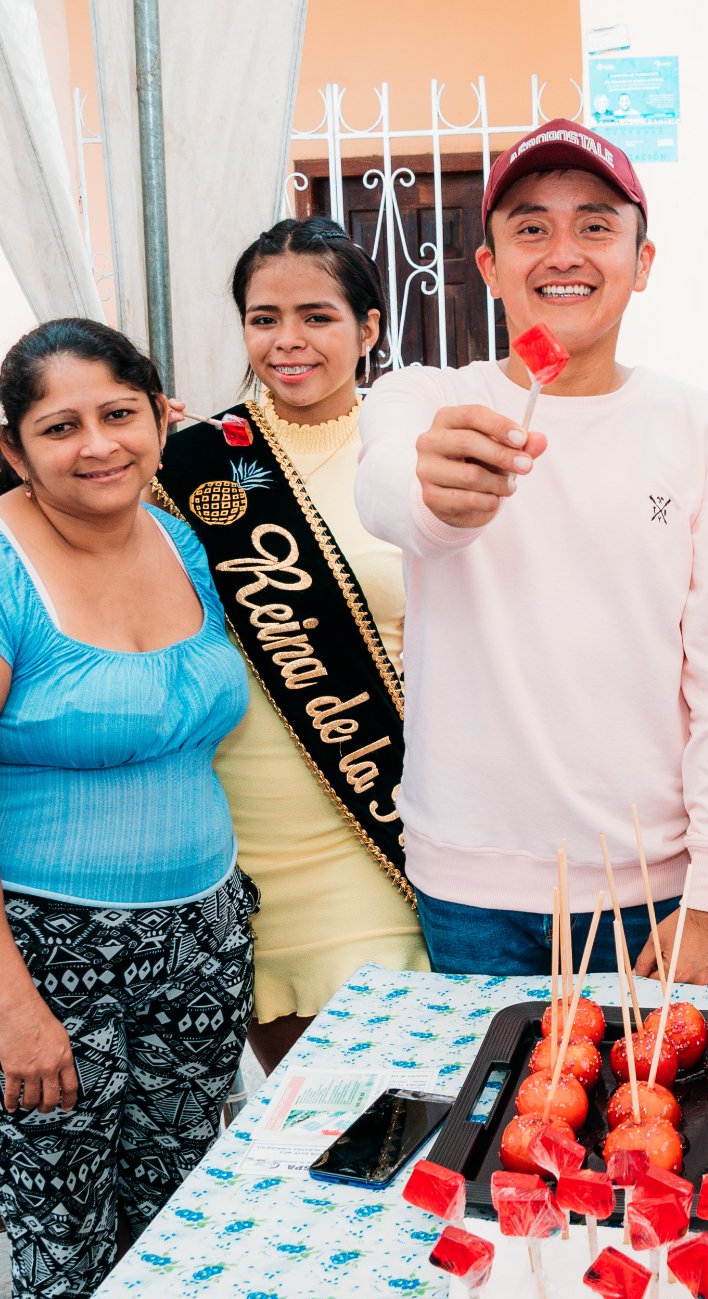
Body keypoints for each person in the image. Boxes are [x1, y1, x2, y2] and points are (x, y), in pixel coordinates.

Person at [0, 318, 255, 1299]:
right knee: (68, 1230)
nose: (98, 445)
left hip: (199, 941)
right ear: (13, 446)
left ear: (161, 417)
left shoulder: (176, 540)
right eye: (60, 426)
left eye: (119, 414)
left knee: (182, 1212)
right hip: (35, 959)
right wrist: (15, 1006)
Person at [354, 119, 708, 982]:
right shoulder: (426, 399)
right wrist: (441, 494)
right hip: (465, 881)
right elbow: (393, 494)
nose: (563, 253)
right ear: (489, 266)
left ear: (642, 262)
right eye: (531, 228)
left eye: (595, 226)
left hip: (649, 886)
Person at [156, 217, 425, 1072]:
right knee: (304, 1108)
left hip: (378, 814)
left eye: (317, 316)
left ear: (369, 327)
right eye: (263, 318)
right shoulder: (191, 462)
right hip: (241, 834)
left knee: (393, 1093)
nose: (288, 340)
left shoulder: (412, 452)